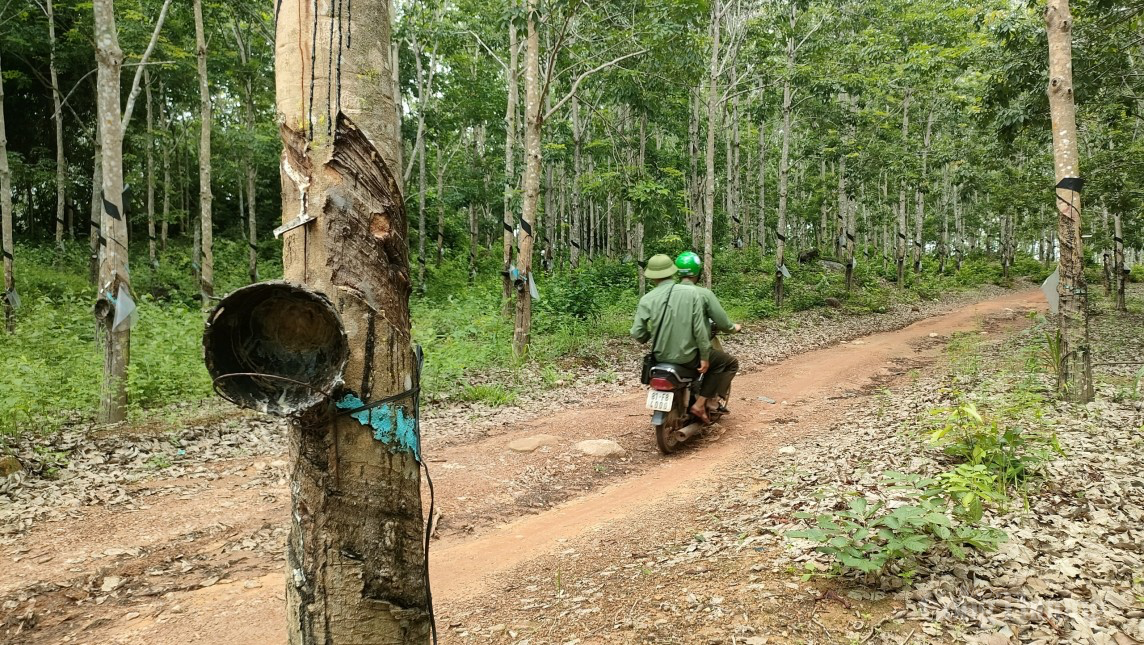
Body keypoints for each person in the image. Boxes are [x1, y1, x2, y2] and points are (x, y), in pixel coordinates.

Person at [630, 254, 734, 425]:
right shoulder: (690, 293)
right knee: (726, 362)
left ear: (651, 276)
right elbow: (700, 329)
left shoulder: (646, 299)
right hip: (687, 358)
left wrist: (652, 335)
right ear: (672, 271)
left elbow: (638, 334)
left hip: (659, 358)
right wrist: (704, 356)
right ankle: (701, 404)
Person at [674, 251, 741, 414]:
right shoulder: (704, 294)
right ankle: (710, 401)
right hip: (693, 350)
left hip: (668, 348)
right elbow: (723, 322)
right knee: (730, 363)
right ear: (698, 272)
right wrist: (734, 328)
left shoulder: (666, 293)